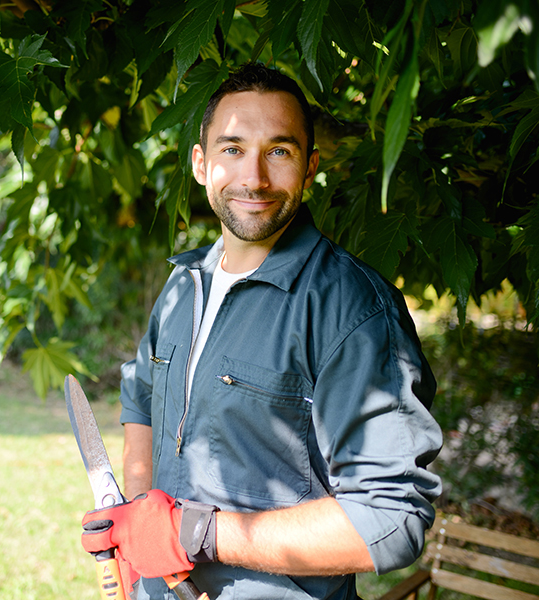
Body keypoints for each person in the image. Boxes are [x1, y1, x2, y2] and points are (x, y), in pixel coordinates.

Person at [81, 63, 442, 600]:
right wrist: (140, 531)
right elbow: (142, 399)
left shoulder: (352, 309)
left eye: (279, 151)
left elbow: (390, 520)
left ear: (310, 166)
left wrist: (194, 534)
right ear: (201, 164)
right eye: (231, 149)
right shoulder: (183, 286)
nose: (254, 177)